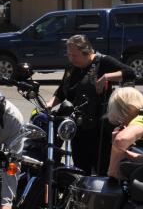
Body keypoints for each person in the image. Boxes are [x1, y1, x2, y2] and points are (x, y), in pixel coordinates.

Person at [46, 34, 134, 174]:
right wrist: (50, 104)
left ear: (87, 52)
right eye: (69, 55)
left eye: (75, 55)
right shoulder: (71, 67)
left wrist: (107, 76)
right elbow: (62, 91)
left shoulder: (103, 62)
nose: (71, 58)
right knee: (80, 167)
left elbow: (130, 73)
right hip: (77, 126)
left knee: (101, 168)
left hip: (99, 128)